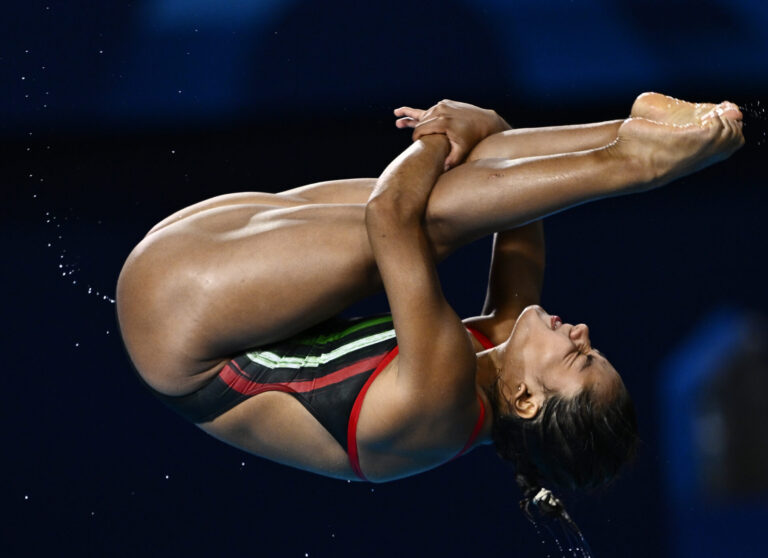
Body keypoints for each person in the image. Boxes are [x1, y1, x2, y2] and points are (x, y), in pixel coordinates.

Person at [116, 93, 743, 514]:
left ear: (525, 400)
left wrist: (436, 137)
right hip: (210, 271)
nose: (581, 331)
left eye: (580, 358)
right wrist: (485, 122)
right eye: (593, 347)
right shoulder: (498, 358)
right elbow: (517, 198)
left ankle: (638, 163)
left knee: (431, 218)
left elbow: (392, 214)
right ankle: (642, 133)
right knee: (475, 195)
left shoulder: (441, 399)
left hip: (177, 314)